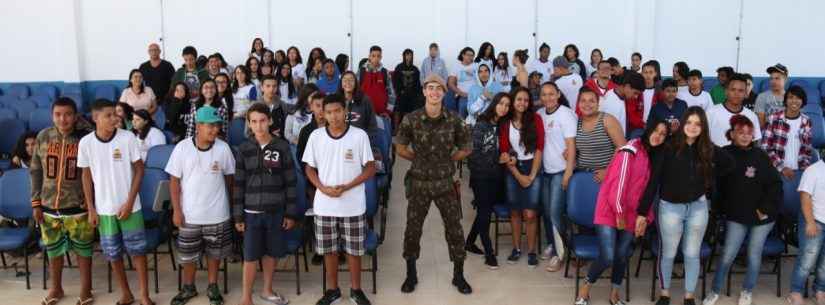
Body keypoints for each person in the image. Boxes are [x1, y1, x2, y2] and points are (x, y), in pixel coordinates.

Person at [639, 106, 734, 305]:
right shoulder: (668, 147)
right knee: (669, 254)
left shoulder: (707, 148)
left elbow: (729, 164)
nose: (692, 127)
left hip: (698, 208)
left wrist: (708, 179)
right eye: (689, 122)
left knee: (692, 254)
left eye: (697, 124)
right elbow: (653, 181)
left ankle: (688, 296)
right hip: (670, 209)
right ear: (683, 123)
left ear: (703, 127)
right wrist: (642, 212)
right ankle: (664, 294)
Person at [574, 120, 668, 305]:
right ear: (648, 130)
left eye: (663, 134)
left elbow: (649, 191)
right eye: (656, 130)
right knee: (608, 255)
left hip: (632, 214)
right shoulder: (631, 148)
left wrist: (646, 219)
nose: (658, 135)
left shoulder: (655, 156)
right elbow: (619, 183)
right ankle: (585, 286)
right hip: (611, 209)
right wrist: (619, 213)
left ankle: (614, 293)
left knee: (622, 253)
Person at [395, 75, 473, 294]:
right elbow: (400, 147)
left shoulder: (455, 119)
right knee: (412, 230)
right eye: (431, 88)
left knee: (455, 230)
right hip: (419, 183)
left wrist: (448, 160)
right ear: (424, 91)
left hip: (445, 184)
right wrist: (419, 160)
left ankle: (459, 275)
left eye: (439, 89)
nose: (435, 92)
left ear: (444, 93)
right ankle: (411, 273)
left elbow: (466, 147)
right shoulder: (411, 119)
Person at [303, 93, 376, 305]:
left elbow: (370, 168)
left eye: (337, 111)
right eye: (328, 112)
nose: (333, 116)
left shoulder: (359, 135)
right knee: (329, 250)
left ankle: (356, 290)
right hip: (324, 205)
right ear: (322, 114)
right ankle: (333, 290)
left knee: (354, 251)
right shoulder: (316, 137)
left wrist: (347, 186)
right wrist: (322, 188)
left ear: (345, 112)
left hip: (352, 205)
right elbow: (309, 168)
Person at [702, 115, 782, 305]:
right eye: (741, 132)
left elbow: (775, 185)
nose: (746, 136)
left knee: (754, 255)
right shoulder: (724, 153)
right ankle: (715, 290)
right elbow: (717, 184)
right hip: (736, 215)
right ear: (732, 134)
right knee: (728, 254)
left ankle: (747, 290)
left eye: (749, 133)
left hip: (762, 216)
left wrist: (765, 209)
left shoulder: (760, 155)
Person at [79, 100, 152, 305]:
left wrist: (129, 202)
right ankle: (126, 293)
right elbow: (85, 176)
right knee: (113, 254)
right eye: (108, 115)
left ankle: (145, 295)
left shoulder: (127, 138)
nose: (115, 118)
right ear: (95, 119)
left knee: (138, 252)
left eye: (115, 114)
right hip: (104, 210)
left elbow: (139, 170)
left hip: (131, 207)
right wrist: (91, 208)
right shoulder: (86, 143)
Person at [167, 105, 236, 305]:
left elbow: (230, 179)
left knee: (215, 254)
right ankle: (189, 286)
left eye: (217, 126)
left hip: (217, 214)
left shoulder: (223, 148)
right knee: (188, 256)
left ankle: (213, 286)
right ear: (198, 126)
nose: (215, 130)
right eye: (210, 126)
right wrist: (176, 211)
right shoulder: (182, 148)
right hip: (189, 215)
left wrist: (230, 208)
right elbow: (174, 181)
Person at [31, 97, 94, 305]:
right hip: (49, 207)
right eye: (57, 114)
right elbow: (36, 171)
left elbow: (92, 173)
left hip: (78, 206)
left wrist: (90, 200)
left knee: (83, 250)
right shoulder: (43, 137)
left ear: (75, 116)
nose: (62, 119)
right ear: (52, 116)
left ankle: (86, 289)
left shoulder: (85, 140)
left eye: (67, 114)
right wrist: (36, 202)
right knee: (53, 249)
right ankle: (56, 288)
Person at [233, 103, 297, 305]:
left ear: (269, 120)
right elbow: (238, 184)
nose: (258, 126)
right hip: (251, 212)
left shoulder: (282, 146)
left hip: (275, 210)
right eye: (254, 122)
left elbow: (291, 182)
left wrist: (290, 213)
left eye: (262, 121)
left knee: (271, 253)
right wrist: (238, 215)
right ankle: (246, 297)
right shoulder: (244, 149)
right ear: (249, 124)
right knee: (250, 256)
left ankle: (267, 290)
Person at [499, 87, 545, 268]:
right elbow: (504, 151)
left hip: (533, 165)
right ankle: (517, 248)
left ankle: (532, 250)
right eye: (519, 99)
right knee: (515, 212)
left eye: (526, 100)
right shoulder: (505, 122)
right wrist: (519, 176)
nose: (522, 103)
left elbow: (540, 148)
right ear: (513, 100)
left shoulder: (536, 119)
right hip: (513, 168)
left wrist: (532, 175)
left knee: (530, 213)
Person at [465, 92, 511, 269]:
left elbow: (506, 149)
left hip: (497, 176)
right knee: (485, 213)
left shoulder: (503, 125)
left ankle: (469, 242)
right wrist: (496, 159)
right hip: (481, 176)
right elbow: (473, 154)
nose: (504, 108)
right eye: (501, 103)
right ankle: (489, 253)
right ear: (494, 104)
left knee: (485, 210)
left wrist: (508, 157)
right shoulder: (482, 124)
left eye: (507, 105)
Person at [536, 82, 577, 272]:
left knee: (555, 212)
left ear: (558, 94)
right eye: (544, 95)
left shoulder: (566, 114)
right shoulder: (540, 115)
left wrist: (568, 173)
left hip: (561, 171)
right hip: (545, 171)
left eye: (551, 94)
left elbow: (571, 145)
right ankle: (554, 244)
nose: (547, 98)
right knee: (546, 211)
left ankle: (561, 254)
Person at [788, 158, 825, 305]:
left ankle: (820, 290)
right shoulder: (813, 170)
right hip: (814, 220)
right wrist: (810, 223)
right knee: (806, 260)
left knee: (824, 264)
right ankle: (796, 291)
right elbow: (805, 197)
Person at [761, 85, 814, 179]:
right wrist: (782, 168)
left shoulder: (806, 121)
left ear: (803, 101)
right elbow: (765, 148)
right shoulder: (773, 118)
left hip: (800, 170)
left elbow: (808, 149)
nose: (794, 101)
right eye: (791, 97)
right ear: (785, 100)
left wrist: (805, 167)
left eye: (798, 98)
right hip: (777, 170)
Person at [576, 87, 627, 182]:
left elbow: (622, 147)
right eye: (583, 101)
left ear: (598, 103)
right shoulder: (576, 122)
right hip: (581, 174)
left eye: (591, 101)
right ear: (578, 104)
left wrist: (608, 171)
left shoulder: (607, 120)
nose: (587, 104)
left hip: (607, 176)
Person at [706, 73, 762, 146]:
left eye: (741, 90)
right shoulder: (710, 113)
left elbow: (755, 142)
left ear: (745, 93)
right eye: (733, 89)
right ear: (726, 92)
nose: (736, 93)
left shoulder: (751, 116)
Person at [337, 71, 379, 140]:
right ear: (341, 84)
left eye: (351, 80)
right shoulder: (336, 101)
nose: (348, 82)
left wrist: (366, 141)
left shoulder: (365, 100)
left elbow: (372, 126)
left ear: (356, 83)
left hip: (360, 141)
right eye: (345, 80)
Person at [604, 71, 645, 136]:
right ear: (627, 86)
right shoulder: (612, 104)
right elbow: (612, 134)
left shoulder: (615, 94)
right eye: (635, 93)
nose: (636, 97)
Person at [358, 46, 395, 118]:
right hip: (363, 114)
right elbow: (355, 91)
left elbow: (392, 94)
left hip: (382, 115)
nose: (376, 58)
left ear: (381, 57)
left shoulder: (385, 72)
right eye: (373, 56)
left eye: (378, 56)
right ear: (369, 56)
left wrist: (388, 111)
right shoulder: (361, 71)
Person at [392, 49, 423, 130]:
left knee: (411, 109)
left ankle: (408, 129)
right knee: (397, 109)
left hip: (412, 94)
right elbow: (395, 81)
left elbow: (417, 83)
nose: (408, 57)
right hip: (401, 93)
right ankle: (396, 129)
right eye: (407, 55)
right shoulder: (399, 67)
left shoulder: (415, 69)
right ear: (404, 56)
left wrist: (415, 93)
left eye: (410, 55)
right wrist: (400, 91)